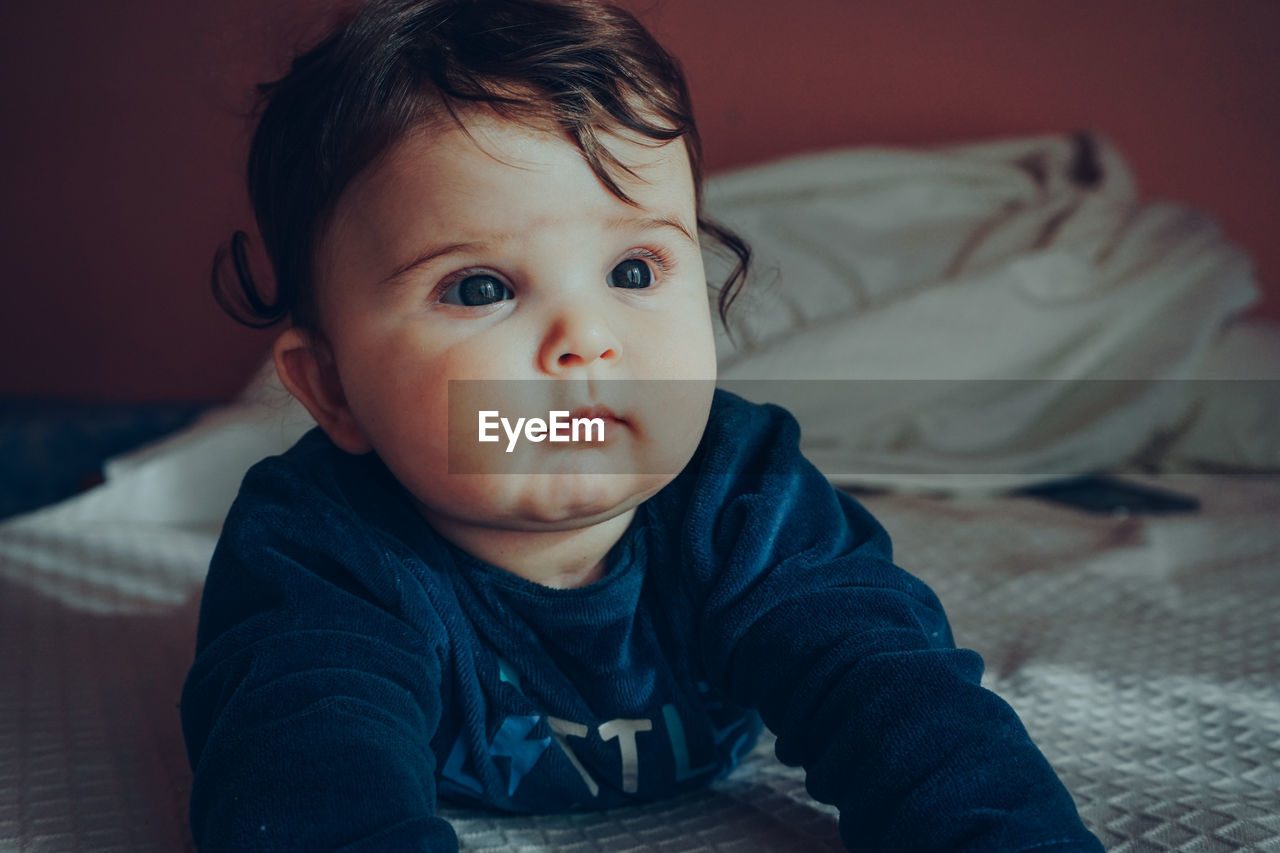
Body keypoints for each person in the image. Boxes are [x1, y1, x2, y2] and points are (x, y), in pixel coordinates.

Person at [180, 0, 1105, 850]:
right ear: (334, 387)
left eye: (632, 271)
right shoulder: (321, 554)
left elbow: (901, 702)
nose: (586, 340)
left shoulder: (745, 497)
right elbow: (306, 780)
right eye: (480, 287)